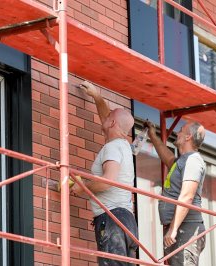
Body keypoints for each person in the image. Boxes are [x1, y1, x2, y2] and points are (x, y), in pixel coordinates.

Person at [70, 81, 138, 265]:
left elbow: (107, 181)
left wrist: (81, 187)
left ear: (113, 123)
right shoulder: (122, 145)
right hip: (126, 222)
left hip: (113, 220)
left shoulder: (113, 148)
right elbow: (107, 121)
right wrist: (97, 96)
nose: (104, 117)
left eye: (108, 117)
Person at [144, 120, 206, 266]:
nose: (177, 132)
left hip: (185, 229)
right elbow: (168, 158)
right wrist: (153, 135)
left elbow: (187, 196)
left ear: (188, 137)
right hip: (181, 229)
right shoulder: (183, 161)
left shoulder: (193, 161)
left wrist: (173, 229)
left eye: (181, 130)